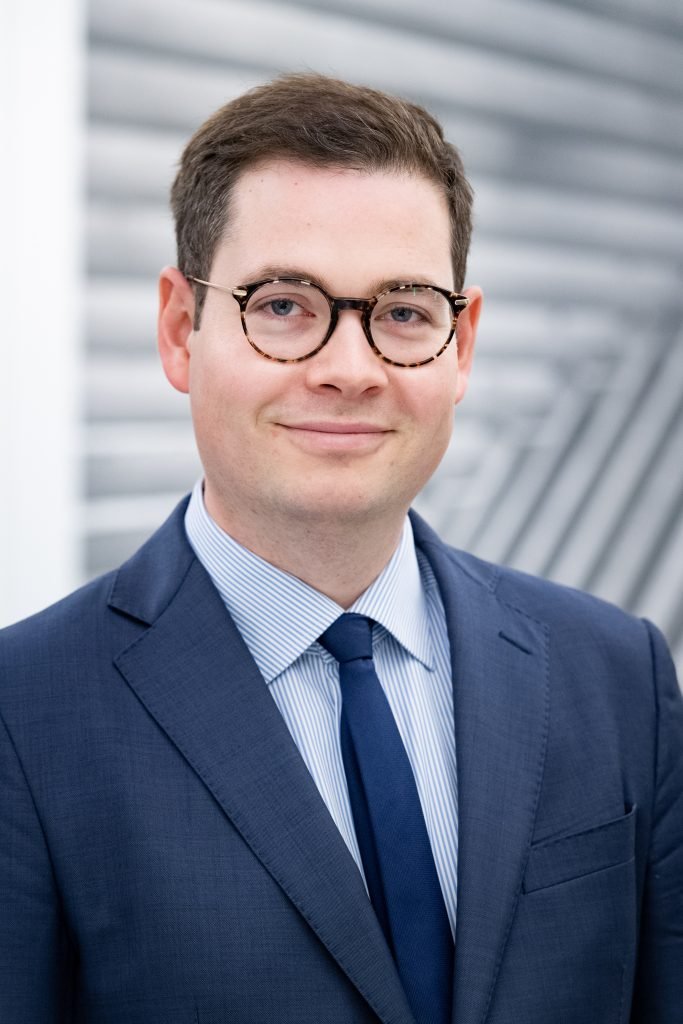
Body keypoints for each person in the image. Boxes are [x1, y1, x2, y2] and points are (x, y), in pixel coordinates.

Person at [1, 73, 681, 1024]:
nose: (349, 370)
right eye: (283, 305)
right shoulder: (24, 713)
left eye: (403, 312)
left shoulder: (617, 676)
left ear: (460, 345)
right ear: (179, 330)